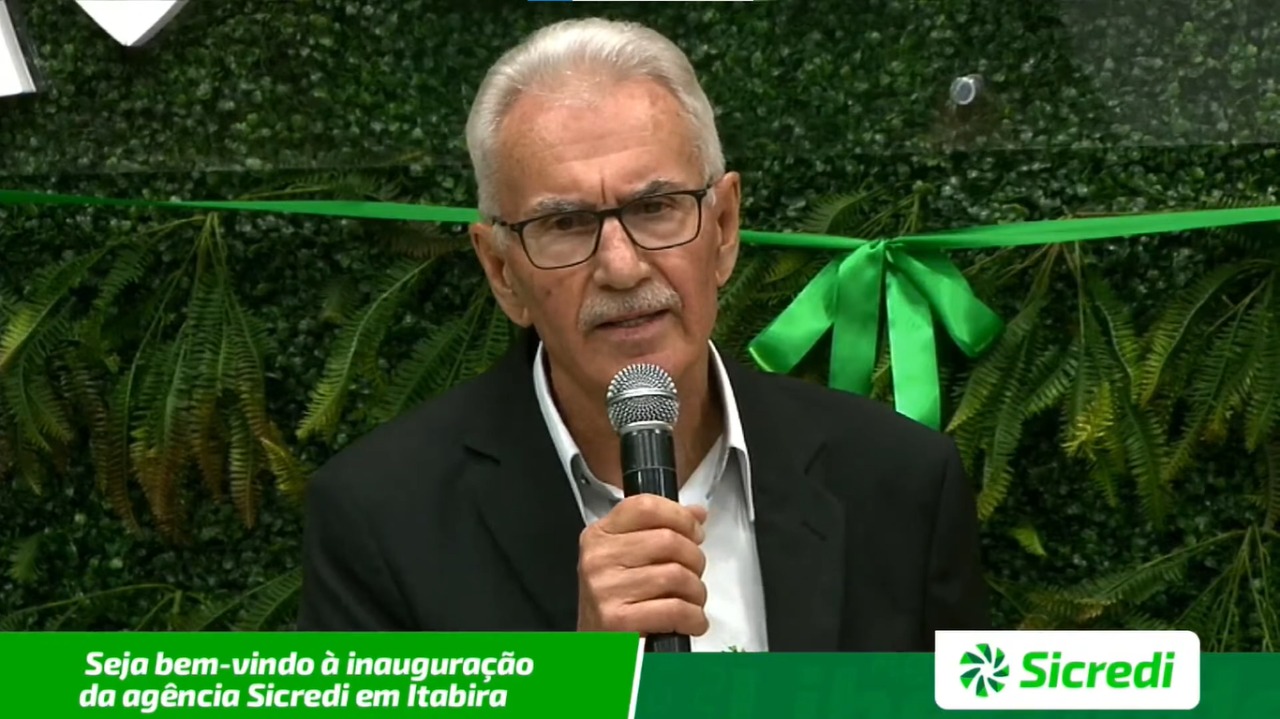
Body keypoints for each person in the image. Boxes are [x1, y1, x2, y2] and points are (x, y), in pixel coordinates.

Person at [296, 17, 990, 651]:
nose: (622, 268)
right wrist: (583, 684)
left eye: (656, 207)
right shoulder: (381, 517)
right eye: (565, 224)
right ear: (503, 271)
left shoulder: (899, 482)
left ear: (723, 228)